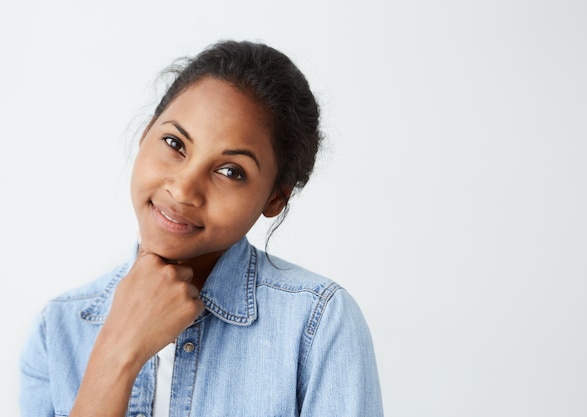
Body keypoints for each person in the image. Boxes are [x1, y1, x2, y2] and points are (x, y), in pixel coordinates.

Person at [19, 40, 383, 417]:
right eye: (175, 143)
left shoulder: (319, 323)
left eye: (231, 171)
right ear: (145, 134)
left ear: (275, 199)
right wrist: (116, 354)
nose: (182, 189)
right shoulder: (58, 330)